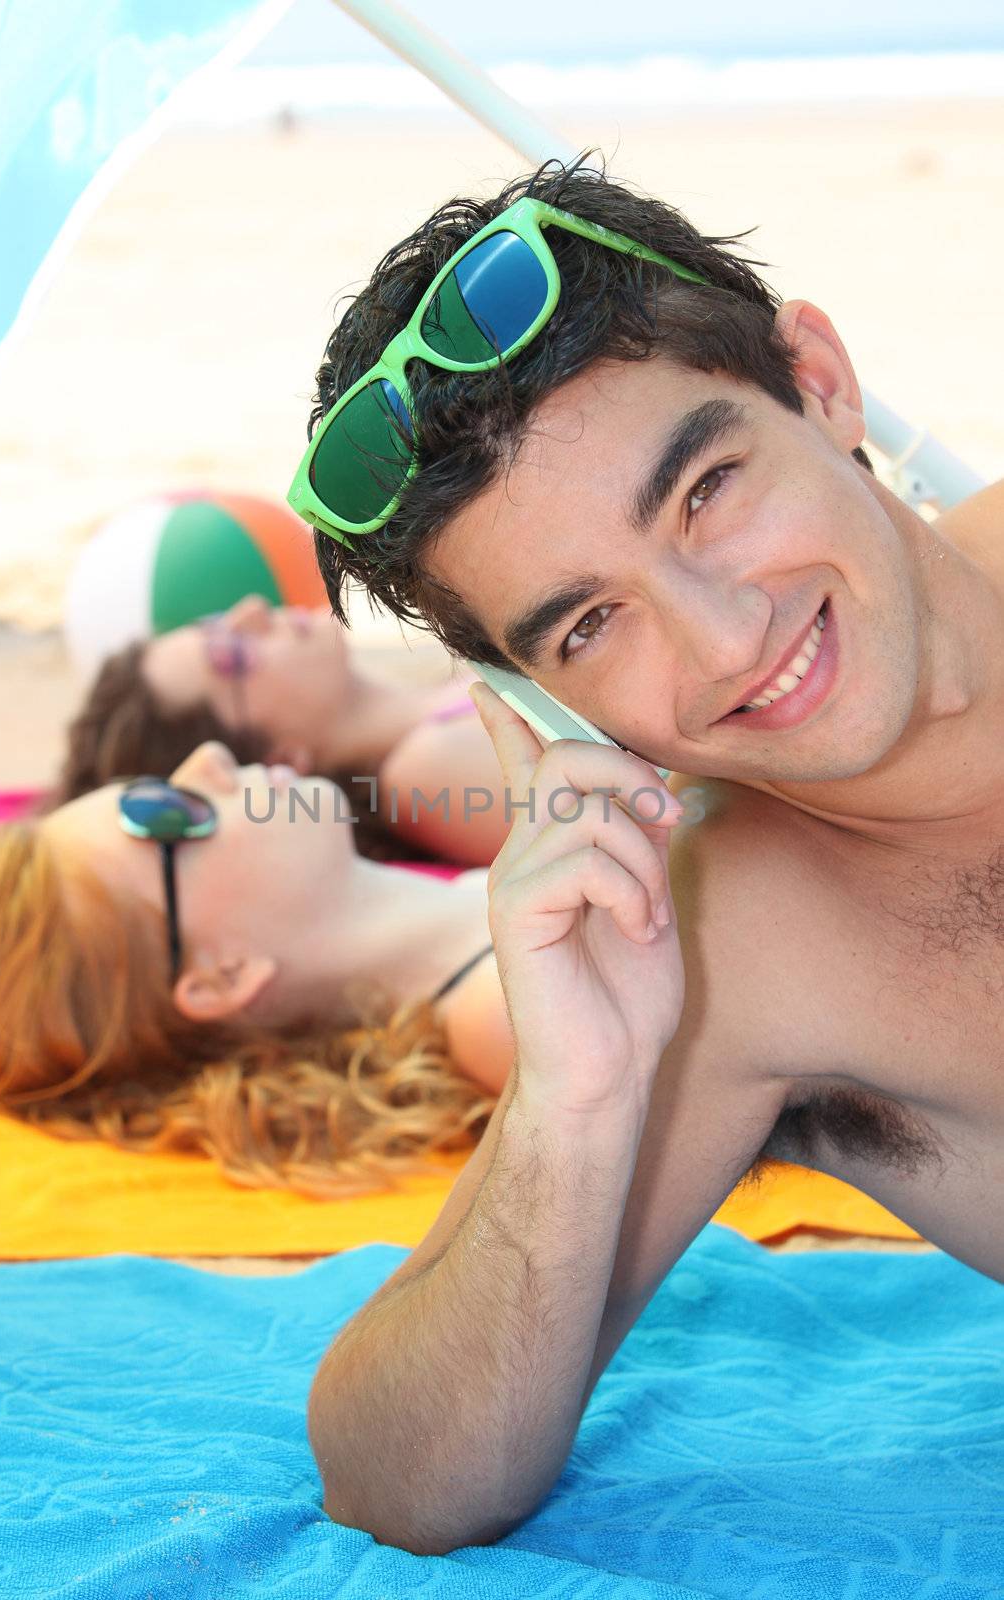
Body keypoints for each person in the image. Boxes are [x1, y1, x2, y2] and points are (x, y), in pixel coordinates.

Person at [290, 156, 1004, 1553]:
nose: (721, 638)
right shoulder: (729, 956)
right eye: (587, 628)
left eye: (705, 491)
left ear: (818, 382)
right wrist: (577, 1100)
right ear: (540, 707)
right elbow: (399, 1478)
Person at [0, 739, 526, 1196]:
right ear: (222, 975)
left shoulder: (487, 911)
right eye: (165, 811)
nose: (208, 760)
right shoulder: (503, 1015)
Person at [51, 592, 511, 866]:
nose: (252, 610)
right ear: (278, 761)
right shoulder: (424, 775)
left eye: (217, 622)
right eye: (233, 657)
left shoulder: (446, 689)